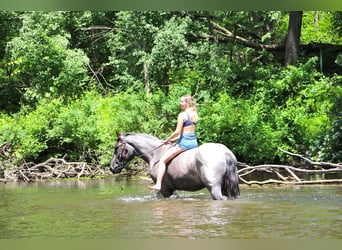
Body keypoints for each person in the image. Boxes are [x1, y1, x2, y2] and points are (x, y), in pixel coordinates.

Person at [148, 95, 199, 191]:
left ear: (187, 103)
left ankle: (158, 184)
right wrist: (173, 140)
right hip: (194, 143)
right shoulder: (193, 114)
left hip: (184, 144)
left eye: (182, 102)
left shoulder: (182, 115)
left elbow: (177, 132)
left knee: (162, 160)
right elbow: (185, 133)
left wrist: (167, 139)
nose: (180, 104)